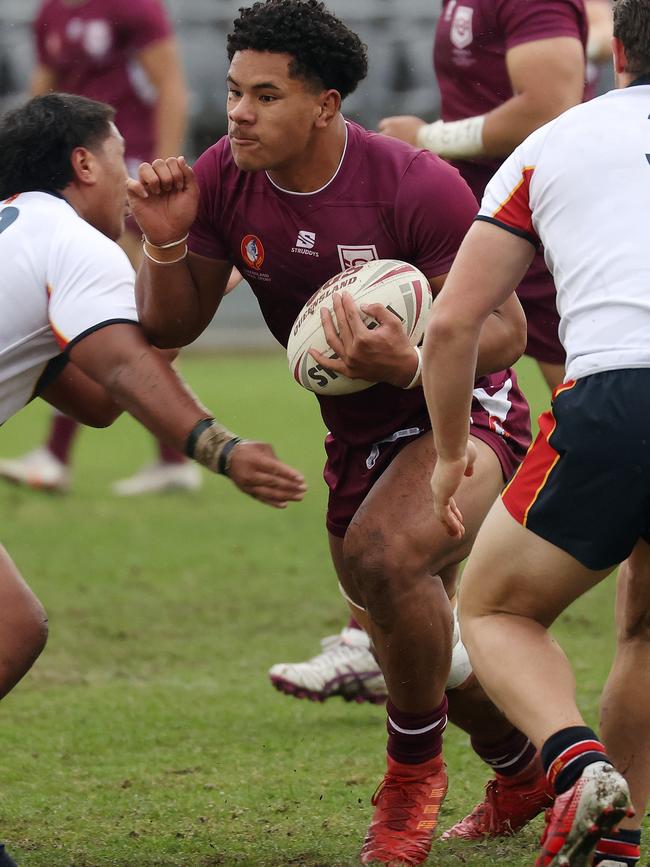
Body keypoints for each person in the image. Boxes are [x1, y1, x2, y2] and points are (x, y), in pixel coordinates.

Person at [126, 1, 560, 862]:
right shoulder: (224, 175)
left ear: (325, 106)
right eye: (233, 92)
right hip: (359, 439)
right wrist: (166, 245)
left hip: (467, 413)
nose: (239, 113)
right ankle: (521, 769)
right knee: (412, 626)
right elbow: (167, 328)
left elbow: (505, 332)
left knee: (385, 560)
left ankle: (408, 788)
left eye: (265, 95)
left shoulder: (412, 183)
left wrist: (411, 359)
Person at [0, 91, 306, 865]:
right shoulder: (71, 240)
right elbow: (128, 368)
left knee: (14, 627)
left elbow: (99, 399)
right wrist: (219, 446)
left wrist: (206, 286)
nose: (129, 175)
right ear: (82, 164)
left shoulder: (20, 233)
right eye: (118, 158)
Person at [422, 0, 650, 863]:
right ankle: (616, 843)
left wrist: (449, 457)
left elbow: (451, 327)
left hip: (618, 398)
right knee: (644, 629)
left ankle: (576, 760)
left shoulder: (555, 141)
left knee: (492, 608)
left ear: (616, 48)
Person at [0, 0, 199, 496]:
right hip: (68, 170)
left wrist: (159, 167)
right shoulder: (51, 11)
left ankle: (67, 455)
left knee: (119, 313)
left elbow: (171, 84)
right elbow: (40, 91)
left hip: (114, 166)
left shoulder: (131, 5)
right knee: (118, 317)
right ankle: (172, 456)